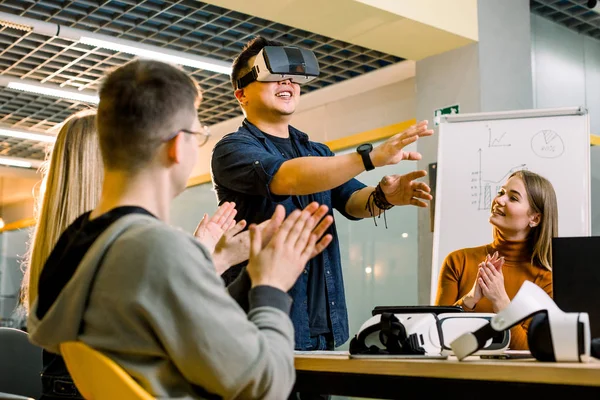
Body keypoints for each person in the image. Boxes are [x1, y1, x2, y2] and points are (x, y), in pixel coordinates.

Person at [27, 59, 334, 399]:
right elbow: (267, 385)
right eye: (198, 134)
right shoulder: (158, 248)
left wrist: (250, 278)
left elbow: (188, 319)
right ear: (176, 145)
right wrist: (272, 286)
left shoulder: (78, 242)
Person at [211, 36, 434, 352]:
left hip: (322, 324)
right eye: (273, 75)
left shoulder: (318, 152)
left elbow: (352, 201)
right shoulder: (232, 149)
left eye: (291, 76)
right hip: (261, 324)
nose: (286, 82)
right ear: (242, 94)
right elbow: (287, 177)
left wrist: (385, 197)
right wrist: (368, 158)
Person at [435, 170, 558, 350]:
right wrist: (469, 299)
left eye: (513, 198)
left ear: (535, 218)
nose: (499, 200)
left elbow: (529, 352)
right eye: (501, 192)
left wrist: (501, 302)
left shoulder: (546, 280)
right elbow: (436, 338)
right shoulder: (458, 261)